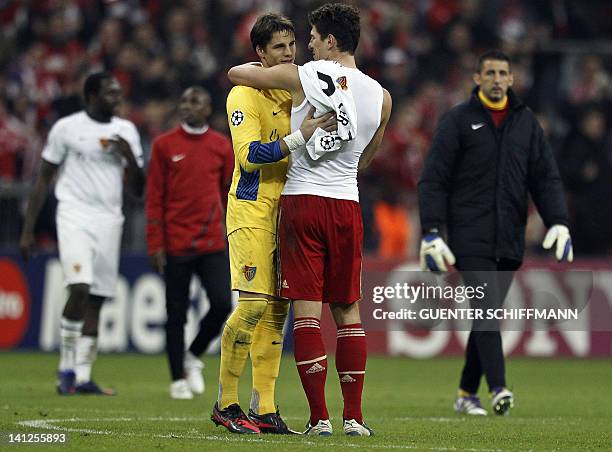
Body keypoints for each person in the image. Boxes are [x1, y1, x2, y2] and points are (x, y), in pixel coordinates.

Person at [228, 3, 392, 436]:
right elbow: (365, 161)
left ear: (331, 41)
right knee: (348, 310)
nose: (307, 46)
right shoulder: (382, 97)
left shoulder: (305, 77)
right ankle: (354, 418)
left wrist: (266, 61)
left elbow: (237, 75)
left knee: (305, 312)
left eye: (314, 37)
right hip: (346, 204)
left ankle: (319, 418)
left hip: (302, 201)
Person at [418, 50, 573, 416]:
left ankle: (465, 393)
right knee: (487, 311)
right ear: (477, 78)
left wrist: (559, 221)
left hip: (509, 236)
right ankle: (499, 387)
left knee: (485, 315)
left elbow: (545, 178)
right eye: (490, 72)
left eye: (504, 72)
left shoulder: (526, 123)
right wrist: (432, 230)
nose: (498, 79)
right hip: (468, 236)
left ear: (512, 79)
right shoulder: (457, 120)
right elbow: (433, 179)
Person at [211, 13, 336, 435]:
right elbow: (248, 157)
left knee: (277, 310)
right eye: (279, 47)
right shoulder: (243, 95)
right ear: (261, 54)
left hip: (290, 212)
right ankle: (226, 402)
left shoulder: (296, 92)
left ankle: (264, 406)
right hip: (251, 209)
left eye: (292, 45)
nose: (289, 53)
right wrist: (302, 136)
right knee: (252, 306)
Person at [19, 72, 144, 395]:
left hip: (109, 221)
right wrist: (28, 229)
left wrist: (128, 155)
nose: (118, 99)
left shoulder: (125, 130)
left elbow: (138, 190)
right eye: (110, 94)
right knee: (79, 286)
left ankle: (84, 376)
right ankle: (65, 369)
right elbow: (44, 178)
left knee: (98, 298)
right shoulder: (67, 128)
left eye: (119, 93)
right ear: (91, 96)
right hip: (73, 216)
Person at [145, 86, 234, 400]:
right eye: (183, 101)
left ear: (207, 108)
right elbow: (154, 197)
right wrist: (155, 243)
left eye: (194, 101)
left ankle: (193, 355)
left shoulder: (222, 146)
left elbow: (228, 193)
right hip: (175, 243)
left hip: (211, 242)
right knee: (176, 314)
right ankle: (176, 379)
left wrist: (229, 230)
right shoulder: (164, 145)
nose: (187, 106)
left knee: (223, 303)